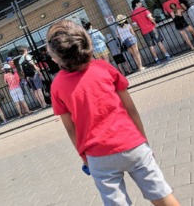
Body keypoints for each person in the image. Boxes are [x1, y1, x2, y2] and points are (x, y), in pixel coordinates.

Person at [46, 20, 179, 206]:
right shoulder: (104, 67)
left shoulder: (57, 86)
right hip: (132, 143)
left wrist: (84, 157)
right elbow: (130, 108)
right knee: (161, 195)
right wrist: (143, 140)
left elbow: (71, 129)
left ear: (57, 57)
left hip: (98, 155)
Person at [130, 0, 171, 64]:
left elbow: (135, 25)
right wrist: (154, 23)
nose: (140, 3)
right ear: (136, 4)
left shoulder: (132, 14)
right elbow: (150, 17)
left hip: (144, 31)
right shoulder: (143, 8)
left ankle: (157, 59)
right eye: (139, 2)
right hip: (152, 28)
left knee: (151, 46)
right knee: (159, 42)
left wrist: (141, 24)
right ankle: (167, 55)